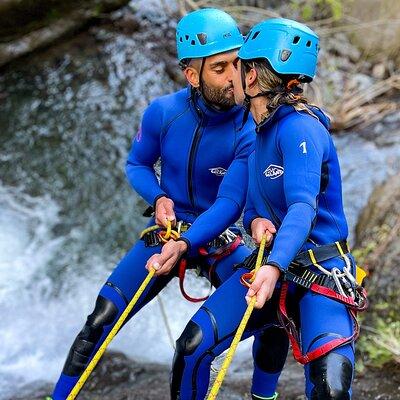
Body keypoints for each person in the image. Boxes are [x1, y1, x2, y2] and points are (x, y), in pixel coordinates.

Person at [48, 9, 288, 400]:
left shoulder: (251, 125)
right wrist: (159, 196)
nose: (236, 77)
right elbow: (137, 163)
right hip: (169, 230)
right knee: (101, 318)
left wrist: (188, 243)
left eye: (239, 63)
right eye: (220, 67)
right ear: (192, 76)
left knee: (272, 314)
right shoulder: (163, 113)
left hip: (220, 235)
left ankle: (264, 396)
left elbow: (229, 204)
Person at [167, 17, 367, 400]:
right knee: (192, 347)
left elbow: (302, 208)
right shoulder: (256, 132)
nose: (231, 77)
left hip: (317, 271)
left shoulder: (301, 130)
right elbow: (232, 202)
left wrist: (274, 266)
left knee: (331, 385)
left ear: (253, 77)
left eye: (238, 66)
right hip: (271, 267)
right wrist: (187, 242)